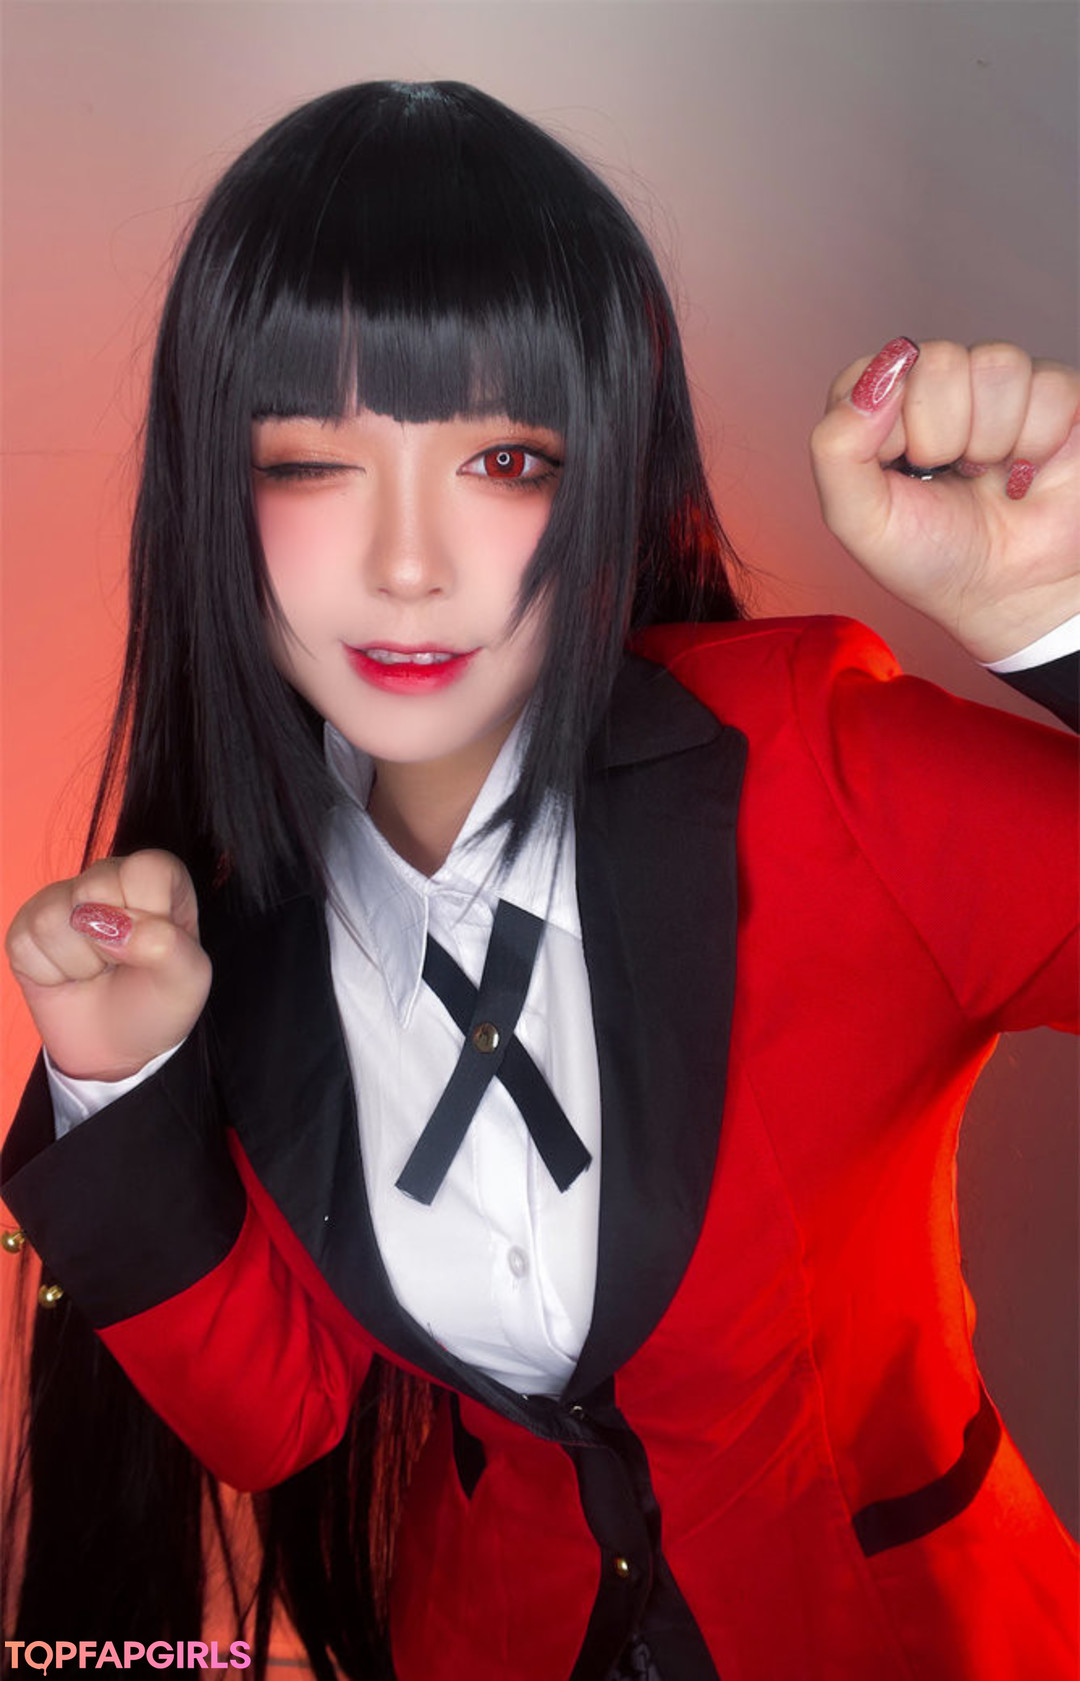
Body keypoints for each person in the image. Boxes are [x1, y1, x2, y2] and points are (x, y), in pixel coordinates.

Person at [1, 80, 1077, 1681]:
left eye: (504, 458)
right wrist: (119, 1081)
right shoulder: (247, 928)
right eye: (313, 463)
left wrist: (1063, 618)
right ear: (213, 494)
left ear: (609, 471)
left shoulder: (822, 768)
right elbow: (276, 1414)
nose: (408, 564)